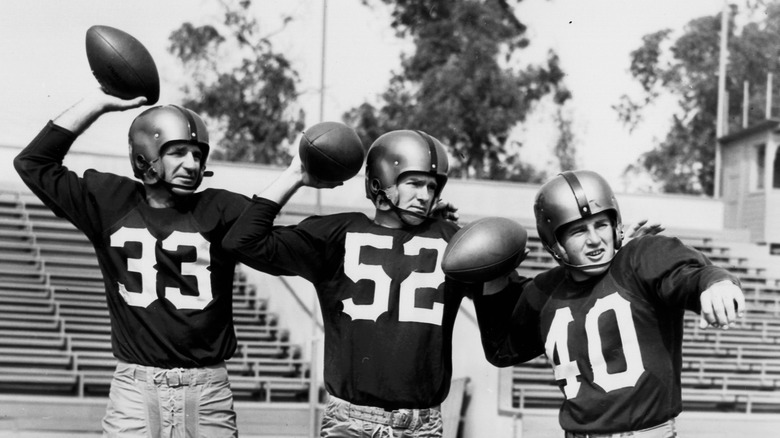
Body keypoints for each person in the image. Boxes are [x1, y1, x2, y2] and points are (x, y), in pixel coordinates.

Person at [14, 89, 259, 437]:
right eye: (177, 152)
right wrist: (97, 103)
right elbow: (33, 163)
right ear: (146, 156)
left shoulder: (223, 208)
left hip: (207, 390)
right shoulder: (110, 200)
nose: (192, 164)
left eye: (197, 154)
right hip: (135, 387)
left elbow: (278, 245)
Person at [222, 129, 483, 437]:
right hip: (350, 421)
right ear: (378, 184)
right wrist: (296, 174)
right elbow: (241, 242)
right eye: (413, 183)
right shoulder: (338, 234)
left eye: (432, 186)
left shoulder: (452, 239)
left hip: (421, 424)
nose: (425, 196)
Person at [475, 170, 746, 438]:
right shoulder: (545, 289)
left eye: (601, 225)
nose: (594, 239)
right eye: (579, 231)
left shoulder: (638, 257)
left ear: (615, 226)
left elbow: (689, 275)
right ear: (555, 244)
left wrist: (716, 283)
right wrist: (491, 274)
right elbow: (502, 349)